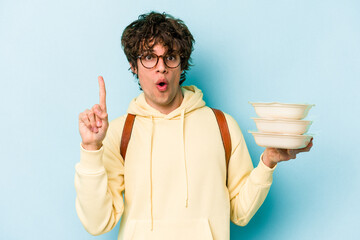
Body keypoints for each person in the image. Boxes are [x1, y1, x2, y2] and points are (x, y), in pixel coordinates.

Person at [75, 12, 313, 240]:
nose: (161, 67)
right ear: (133, 65)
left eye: (170, 57)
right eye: (149, 57)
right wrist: (90, 149)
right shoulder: (119, 132)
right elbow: (98, 223)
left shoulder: (222, 126)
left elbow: (240, 213)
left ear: (181, 64)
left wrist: (268, 162)